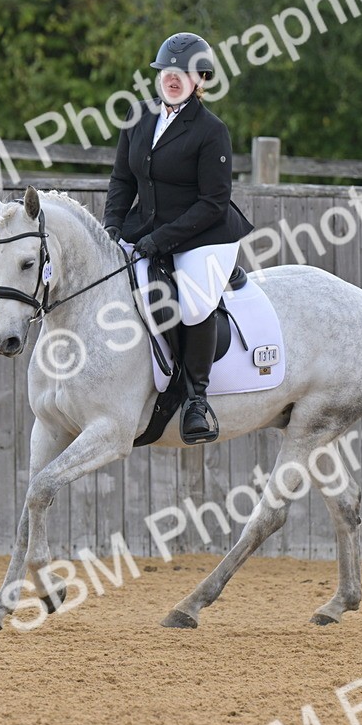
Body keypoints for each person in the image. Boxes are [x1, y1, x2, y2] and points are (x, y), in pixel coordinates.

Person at [104, 31, 254, 443]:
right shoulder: (137, 116)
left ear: (199, 79)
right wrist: (112, 225)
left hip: (205, 235)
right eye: (167, 71)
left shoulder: (210, 131)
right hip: (149, 226)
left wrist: (162, 240)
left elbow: (213, 203)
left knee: (191, 304)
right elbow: (122, 179)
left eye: (183, 72)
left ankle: (196, 400)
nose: (173, 78)